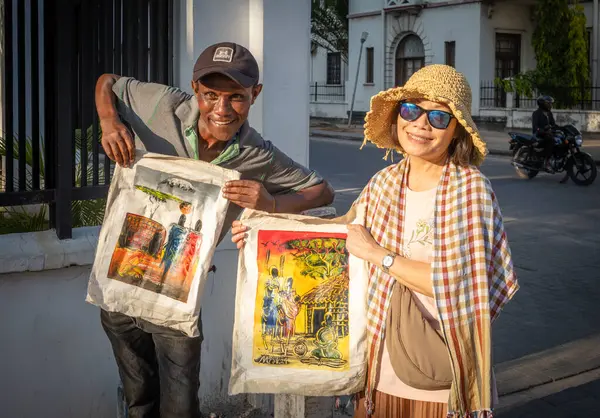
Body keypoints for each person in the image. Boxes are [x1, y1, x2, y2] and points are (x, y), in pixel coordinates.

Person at [233, 64, 519, 418]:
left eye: (439, 118)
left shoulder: (470, 190)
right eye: (412, 110)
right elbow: (338, 236)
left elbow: (457, 284)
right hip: (379, 370)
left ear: (457, 131)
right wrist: (265, 232)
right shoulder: (384, 182)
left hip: (439, 373)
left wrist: (379, 255)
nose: (420, 124)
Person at [95, 41, 334, 418]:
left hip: (177, 297)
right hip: (120, 282)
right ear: (195, 89)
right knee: (139, 398)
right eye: (211, 95)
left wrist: (271, 203)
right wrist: (109, 121)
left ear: (255, 94)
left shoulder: (258, 155)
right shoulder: (162, 104)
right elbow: (107, 81)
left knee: (179, 407)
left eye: (236, 97)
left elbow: (322, 190)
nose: (221, 109)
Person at [532, 95, 557, 170]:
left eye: (551, 103)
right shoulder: (536, 113)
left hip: (548, 134)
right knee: (551, 140)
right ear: (542, 104)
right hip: (539, 135)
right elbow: (535, 127)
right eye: (548, 103)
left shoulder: (549, 113)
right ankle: (547, 161)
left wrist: (562, 129)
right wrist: (544, 131)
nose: (550, 105)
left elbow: (553, 124)